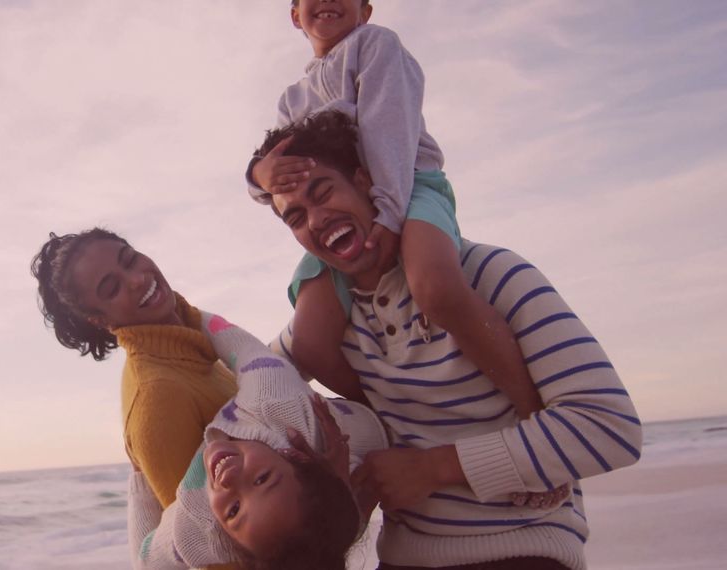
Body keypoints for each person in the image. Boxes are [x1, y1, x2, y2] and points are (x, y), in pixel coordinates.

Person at [258, 110, 643, 570]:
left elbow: (610, 428)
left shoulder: (489, 275)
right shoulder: (329, 322)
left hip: (523, 549)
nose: (317, 220)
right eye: (296, 217)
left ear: (365, 182)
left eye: (324, 193)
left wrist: (434, 468)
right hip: (402, 557)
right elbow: (247, 385)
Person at [247, 0, 544, 423]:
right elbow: (281, 175)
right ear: (296, 15)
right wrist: (259, 174)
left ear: (365, 10)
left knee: (435, 287)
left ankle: (528, 406)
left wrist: (388, 211)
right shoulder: (292, 98)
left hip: (410, 185)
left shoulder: (376, 44)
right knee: (310, 344)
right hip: (341, 211)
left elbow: (390, 130)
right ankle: (388, 421)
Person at [128, 311, 388, 569]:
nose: (230, 479)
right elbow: (239, 345)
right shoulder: (274, 396)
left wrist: (139, 474)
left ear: (228, 543)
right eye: (262, 478)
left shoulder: (198, 523)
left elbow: (146, 561)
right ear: (295, 456)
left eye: (234, 510)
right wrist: (187, 311)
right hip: (369, 424)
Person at [31, 229, 237, 513]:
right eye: (111, 288)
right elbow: (204, 542)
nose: (137, 279)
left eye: (129, 260)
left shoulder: (202, 343)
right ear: (100, 319)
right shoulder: (157, 396)